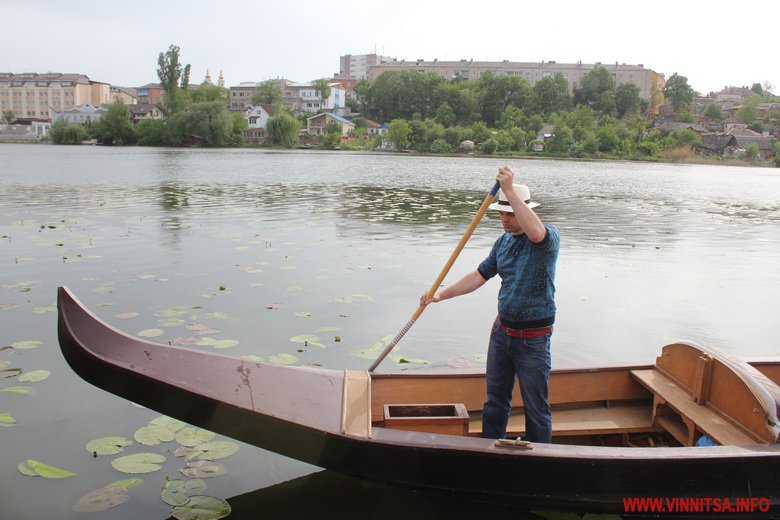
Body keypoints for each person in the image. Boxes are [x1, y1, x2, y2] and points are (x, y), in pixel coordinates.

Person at [420, 166, 559, 443]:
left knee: (536, 407)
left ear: (523, 211)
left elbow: (535, 234)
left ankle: (542, 460)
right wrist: (440, 295)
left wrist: (508, 190)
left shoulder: (547, 240)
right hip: (502, 335)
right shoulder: (503, 243)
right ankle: (489, 451)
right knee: (495, 401)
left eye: (509, 213)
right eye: (501, 213)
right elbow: (479, 275)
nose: (504, 219)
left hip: (533, 340)